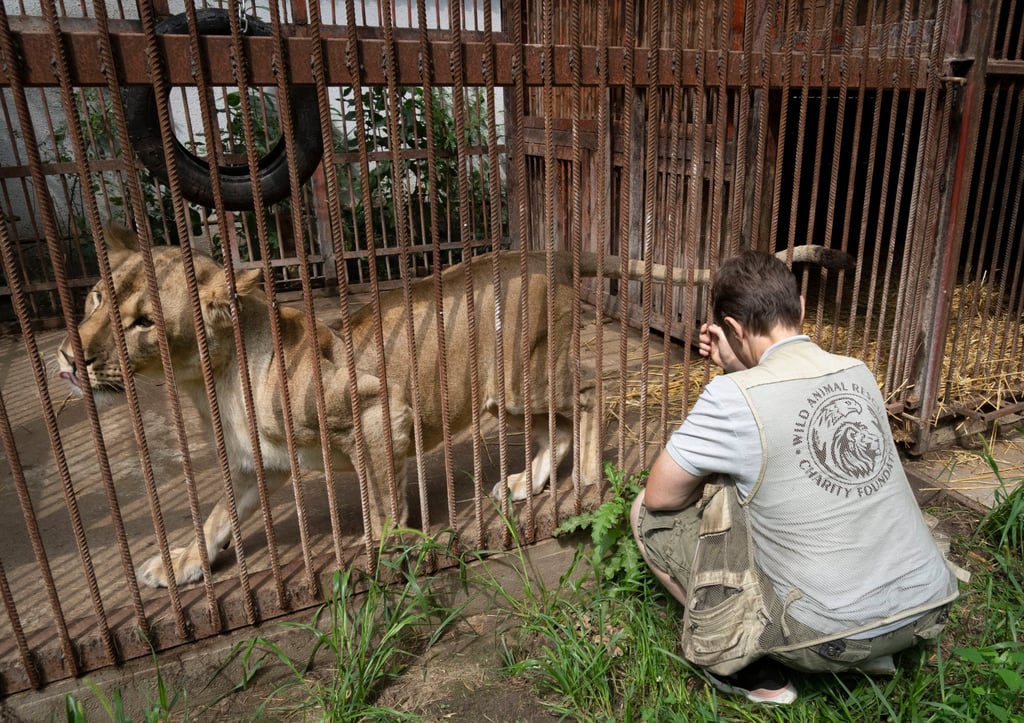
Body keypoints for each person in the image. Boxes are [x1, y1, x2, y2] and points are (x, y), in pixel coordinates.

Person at [630, 250, 959, 705]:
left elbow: (661, 496)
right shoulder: (859, 372)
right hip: (929, 610)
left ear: (734, 330)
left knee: (649, 515)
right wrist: (738, 364)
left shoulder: (730, 396)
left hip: (822, 637)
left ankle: (749, 666)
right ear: (801, 308)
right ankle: (875, 649)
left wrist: (730, 373)